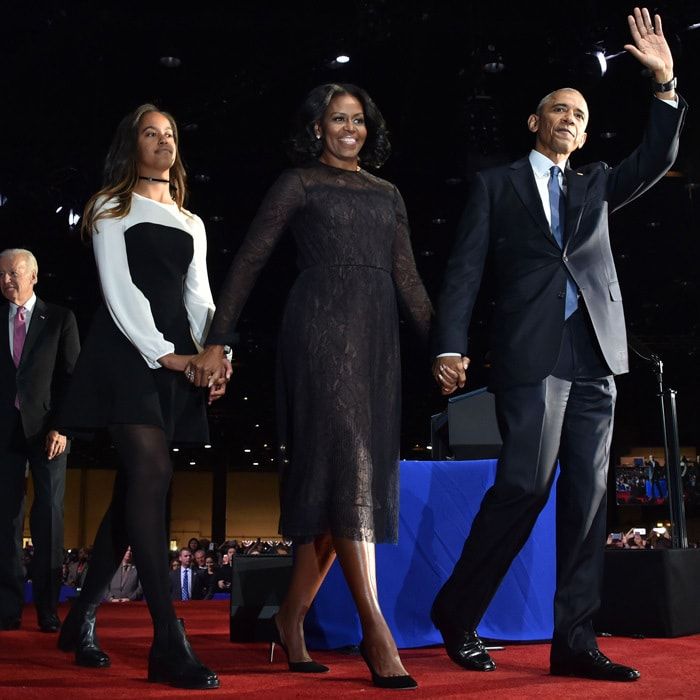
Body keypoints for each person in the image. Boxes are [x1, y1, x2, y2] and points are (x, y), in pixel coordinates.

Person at [430, 7, 685, 683]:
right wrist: (449, 344)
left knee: (589, 503)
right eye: (558, 109)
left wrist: (664, 86)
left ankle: (574, 640)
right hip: (530, 355)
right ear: (534, 123)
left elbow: (658, 157)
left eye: (579, 113)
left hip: (596, 356)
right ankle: (458, 611)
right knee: (524, 485)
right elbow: (463, 271)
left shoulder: (596, 184)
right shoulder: (496, 186)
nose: (570, 117)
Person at [188, 82, 432, 689]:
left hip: (377, 342)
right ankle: (376, 629)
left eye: (358, 119)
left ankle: (290, 619)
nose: (349, 128)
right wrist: (219, 339)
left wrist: (443, 347)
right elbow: (248, 261)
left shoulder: (388, 193)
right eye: (337, 119)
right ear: (317, 128)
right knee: (346, 470)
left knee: (340, 479)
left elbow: (408, 278)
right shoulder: (298, 182)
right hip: (319, 334)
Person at [56, 104, 226, 689]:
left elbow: (199, 298)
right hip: (127, 353)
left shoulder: (192, 221)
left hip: (175, 357)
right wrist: (169, 354)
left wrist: (214, 356)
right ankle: (166, 638)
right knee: (152, 472)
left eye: (171, 135)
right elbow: (121, 292)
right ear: (132, 144)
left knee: (136, 490)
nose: (163, 142)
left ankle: (78, 617)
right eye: (151, 134)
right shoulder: (110, 205)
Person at [0, 248, 80, 633]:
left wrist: (62, 427)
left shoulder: (60, 318)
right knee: (6, 519)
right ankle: (8, 606)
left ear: (34, 275)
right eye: (1, 274)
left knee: (48, 515)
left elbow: (72, 378)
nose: (6, 281)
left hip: (49, 432)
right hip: (4, 433)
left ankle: (48, 608)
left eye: (13, 273)